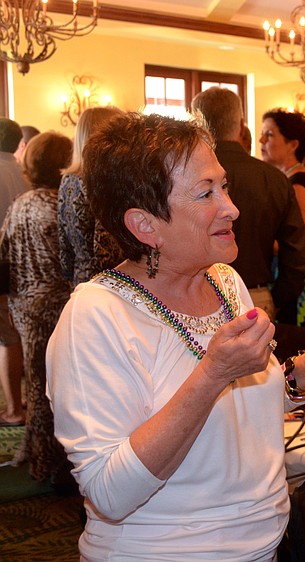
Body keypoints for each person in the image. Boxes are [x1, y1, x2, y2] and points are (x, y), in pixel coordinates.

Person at [45, 113, 305, 560]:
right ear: (145, 225)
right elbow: (109, 493)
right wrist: (211, 374)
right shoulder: (95, 317)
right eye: (205, 193)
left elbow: (235, 416)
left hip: (264, 548)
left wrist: (297, 378)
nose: (231, 207)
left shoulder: (224, 281)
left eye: (224, 186)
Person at [191, 88, 305, 324]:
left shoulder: (186, 175)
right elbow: (298, 258)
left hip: (197, 297)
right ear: (241, 124)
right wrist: (275, 299)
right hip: (257, 297)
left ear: (197, 123)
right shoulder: (273, 178)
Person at [0, 131, 74, 486]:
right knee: (55, 387)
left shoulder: (20, 203)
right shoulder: (59, 206)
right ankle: (50, 465)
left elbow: (4, 253)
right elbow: (71, 261)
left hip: (23, 304)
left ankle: (36, 452)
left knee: (37, 383)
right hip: (55, 304)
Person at [58, 106, 125, 286]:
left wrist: (70, 275)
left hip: (79, 275)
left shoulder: (68, 179)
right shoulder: (103, 180)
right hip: (106, 280)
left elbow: (63, 239)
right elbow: (105, 248)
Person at [0, 118, 27, 427]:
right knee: (13, 334)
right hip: (19, 266)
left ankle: (13, 410)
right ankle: (17, 401)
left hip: (1, 263)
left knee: (6, 338)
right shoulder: (22, 173)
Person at [259, 109, 305, 253]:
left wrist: (254, 240)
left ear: (293, 145)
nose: (261, 140)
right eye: (262, 134)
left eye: (269, 135)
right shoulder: (284, 180)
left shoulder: (298, 185)